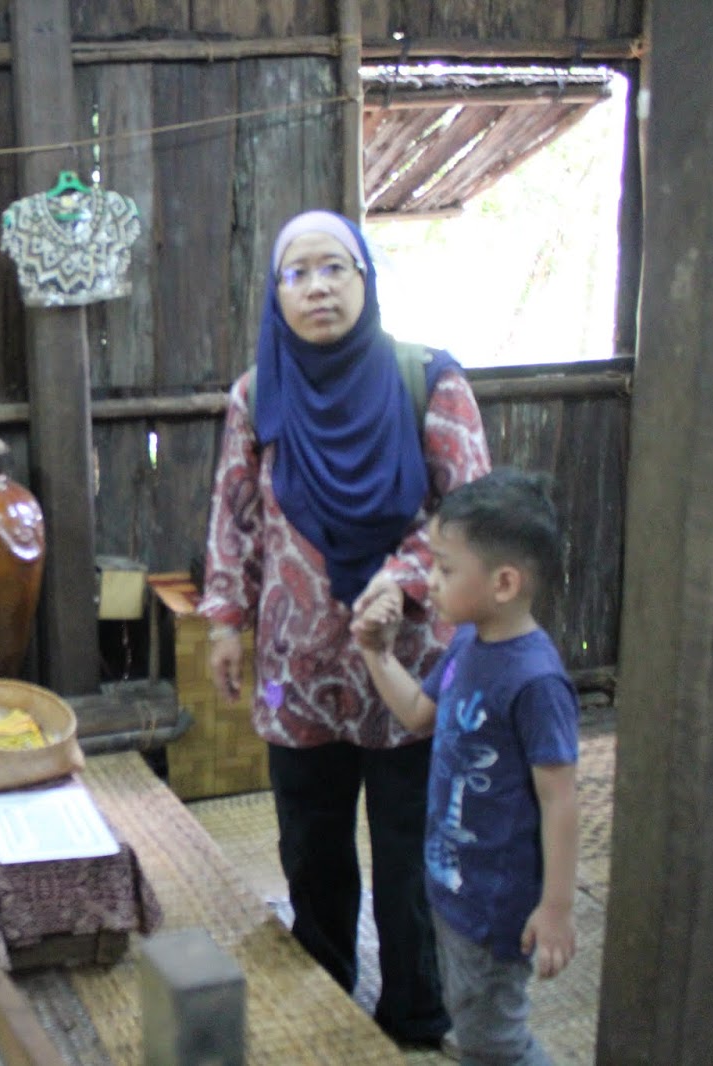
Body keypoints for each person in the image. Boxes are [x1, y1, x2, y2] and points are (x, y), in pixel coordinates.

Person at [199, 209, 490, 1045]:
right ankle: (322, 999)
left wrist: (404, 579)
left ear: (366, 278)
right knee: (311, 849)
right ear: (276, 293)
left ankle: (416, 1016)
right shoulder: (258, 394)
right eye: (297, 273)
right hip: (295, 673)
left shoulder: (430, 381)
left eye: (336, 268)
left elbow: (471, 512)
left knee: (412, 853)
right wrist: (224, 621)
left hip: (409, 670)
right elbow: (234, 518)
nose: (318, 287)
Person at [352, 468, 578, 1065]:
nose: (430, 581)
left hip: (498, 907)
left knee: (496, 1042)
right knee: (473, 1019)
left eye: (446, 569)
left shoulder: (536, 681)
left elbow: (560, 800)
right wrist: (375, 654)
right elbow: (417, 714)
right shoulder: (467, 644)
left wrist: (556, 909)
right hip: (451, 886)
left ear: (504, 583)